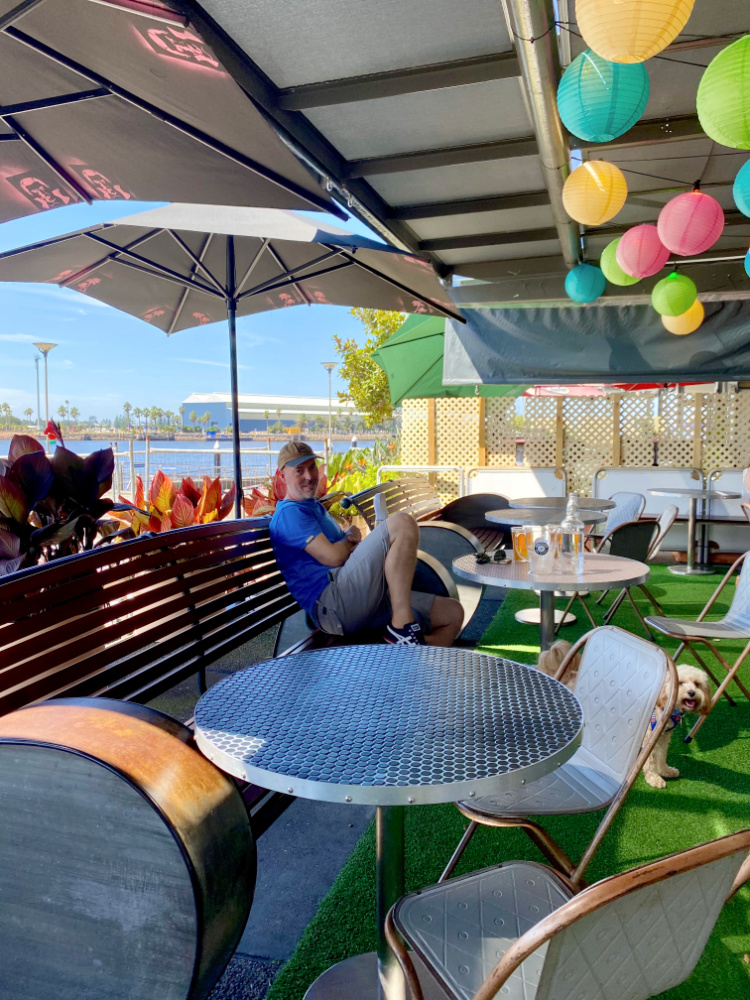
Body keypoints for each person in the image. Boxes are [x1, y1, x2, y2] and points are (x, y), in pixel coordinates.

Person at [269, 442, 464, 646]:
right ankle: (401, 627)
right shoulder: (290, 513)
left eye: (311, 467)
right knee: (402, 523)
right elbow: (334, 557)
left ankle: (402, 655)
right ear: (282, 475)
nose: (309, 476)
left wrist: (348, 535)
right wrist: (347, 540)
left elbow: (342, 547)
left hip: (360, 596)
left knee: (452, 614)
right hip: (334, 605)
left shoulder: (312, 508)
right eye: (299, 470)